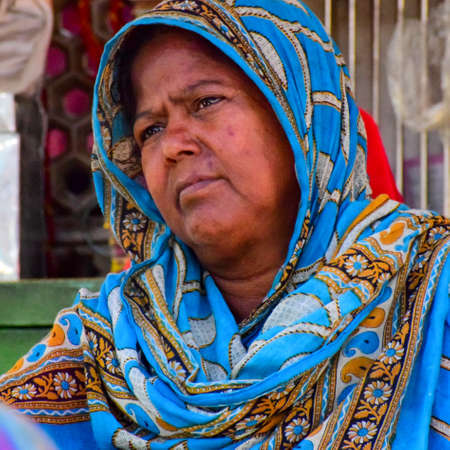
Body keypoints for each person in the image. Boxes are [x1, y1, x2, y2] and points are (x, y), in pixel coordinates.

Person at [0, 0, 448, 448]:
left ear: (298, 118)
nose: (174, 145)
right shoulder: (108, 344)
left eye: (205, 102)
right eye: (150, 130)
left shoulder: (431, 289)